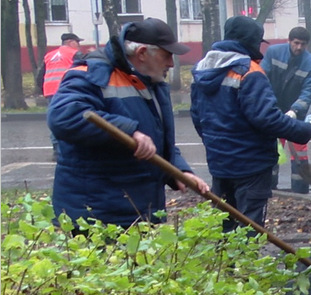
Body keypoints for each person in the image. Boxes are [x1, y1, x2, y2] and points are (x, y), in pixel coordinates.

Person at [47, 19, 209, 226]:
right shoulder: (92, 74)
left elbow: (156, 139)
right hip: (97, 216)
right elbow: (63, 116)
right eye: (166, 55)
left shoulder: (151, 82)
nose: (171, 63)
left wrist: (179, 171)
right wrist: (129, 131)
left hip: (136, 209)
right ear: (142, 53)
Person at [190, 16, 311, 230]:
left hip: (219, 163)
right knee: (250, 228)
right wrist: (307, 130)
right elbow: (267, 120)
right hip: (250, 166)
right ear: (252, 41)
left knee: (224, 224)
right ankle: (246, 264)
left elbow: (198, 118)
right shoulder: (249, 71)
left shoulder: (202, 68)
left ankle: (225, 264)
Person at [261, 26, 311, 193]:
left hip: (295, 114)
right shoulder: (274, 53)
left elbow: (308, 92)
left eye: (303, 44)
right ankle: (269, 188)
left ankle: (300, 190)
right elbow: (262, 79)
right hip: (272, 110)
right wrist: (268, 105)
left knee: (300, 152)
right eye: (296, 43)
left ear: (307, 45)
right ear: (289, 41)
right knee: (272, 149)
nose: (299, 47)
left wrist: (294, 110)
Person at [41, 32, 84, 160]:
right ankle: (71, 150)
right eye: (78, 42)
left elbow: (40, 75)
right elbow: (85, 69)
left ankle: (57, 150)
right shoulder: (74, 54)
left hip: (50, 91)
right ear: (71, 42)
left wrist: (42, 88)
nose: (79, 46)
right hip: (67, 90)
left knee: (56, 119)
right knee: (73, 118)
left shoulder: (49, 55)